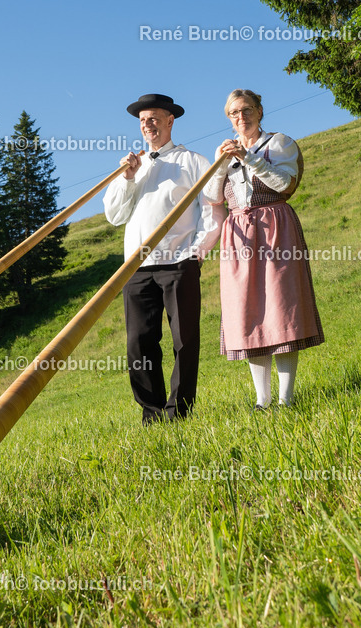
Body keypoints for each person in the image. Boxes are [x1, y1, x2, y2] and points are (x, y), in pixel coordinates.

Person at [202, 88, 324, 410]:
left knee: (281, 307)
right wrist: (220, 163)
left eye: (246, 110)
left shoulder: (279, 143)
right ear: (228, 119)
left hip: (275, 229)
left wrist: (249, 158)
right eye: (234, 113)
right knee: (246, 312)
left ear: (259, 111)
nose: (240, 117)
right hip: (238, 234)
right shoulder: (224, 151)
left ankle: (286, 397)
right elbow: (213, 198)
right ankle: (262, 399)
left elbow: (286, 185)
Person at [104, 94, 219, 424]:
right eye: (142, 120)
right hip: (137, 267)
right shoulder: (133, 167)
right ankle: (152, 414)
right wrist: (126, 177)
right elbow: (114, 214)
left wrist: (196, 253)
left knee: (184, 340)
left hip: (178, 262)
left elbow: (211, 210)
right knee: (138, 343)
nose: (147, 124)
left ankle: (179, 412)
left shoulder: (193, 161)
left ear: (170, 121)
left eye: (153, 118)